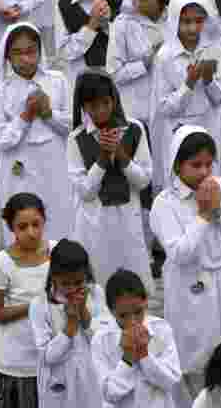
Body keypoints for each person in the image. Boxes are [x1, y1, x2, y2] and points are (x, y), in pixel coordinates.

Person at [151, 125, 221, 390]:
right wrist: (204, 216)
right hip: (190, 287)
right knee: (196, 357)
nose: (204, 172)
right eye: (195, 165)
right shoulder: (165, 203)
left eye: (209, 164)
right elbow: (179, 253)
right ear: (177, 166)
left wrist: (219, 212)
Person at [68, 69, 155, 293]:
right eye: (92, 106)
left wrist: (122, 155)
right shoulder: (76, 138)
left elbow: (144, 181)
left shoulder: (134, 130)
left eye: (106, 103)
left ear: (114, 99)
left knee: (131, 284)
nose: (101, 111)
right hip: (95, 224)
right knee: (99, 285)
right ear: (83, 107)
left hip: (128, 219)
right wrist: (104, 158)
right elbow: (85, 191)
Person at [0, 22, 72, 244]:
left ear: (39, 50)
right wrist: (25, 116)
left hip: (53, 160)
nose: (25, 58)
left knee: (58, 214)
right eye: (17, 52)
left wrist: (47, 113)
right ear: (7, 56)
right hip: (18, 165)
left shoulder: (57, 80)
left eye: (30, 51)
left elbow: (71, 126)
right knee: (22, 215)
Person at [150, 0, 221, 189]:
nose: (193, 28)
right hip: (178, 131)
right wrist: (189, 84)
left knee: (210, 181)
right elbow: (164, 107)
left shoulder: (212, 49)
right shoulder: (165, 56)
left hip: (208, 125)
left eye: (198, 21)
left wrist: (209, 80)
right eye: (186, 22)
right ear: (176, 21)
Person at [0, 194, 56, 408]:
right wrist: (35, 306)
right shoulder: (1, 264)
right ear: (11, 228)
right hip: (16, 360)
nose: (31, 233)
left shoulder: (57, 251)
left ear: (44, 221)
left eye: (36, 224)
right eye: (22, 227)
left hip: (53, 354)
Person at [29, 237, 109, 408]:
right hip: (59, 383)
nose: (72, 289)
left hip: (91, 377)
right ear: (54, 276)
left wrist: (84, 313)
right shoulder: (40, 305)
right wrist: (70, 326)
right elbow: (47, 356)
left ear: (86, 275)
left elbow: (104, 343)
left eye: (79, 282)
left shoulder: (95, 294)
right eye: (65, 283)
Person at [92, 268, 185, 408]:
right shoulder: (101, 340)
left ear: (145, 302)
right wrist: (128, 358)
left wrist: (145, 356)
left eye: (138, 311)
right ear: (111, 311)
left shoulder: (161, 330)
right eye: (123, 315)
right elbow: (109, 393)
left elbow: (171, 380)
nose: (132, 321)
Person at [106, 0, 173, 130]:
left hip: (169, 111)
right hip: (137, 116)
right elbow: (113, 73)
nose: (138, 4)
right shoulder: (123, 24)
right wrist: (143, 63)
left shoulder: (175, 20)